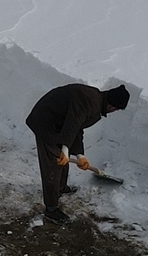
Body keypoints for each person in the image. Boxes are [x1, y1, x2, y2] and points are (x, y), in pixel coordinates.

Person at [25, 83, 130, 224]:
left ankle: (61, 187)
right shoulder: (90, 101)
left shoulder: (96, 102)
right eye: (116, 109)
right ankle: (51, 209)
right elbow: (72, 123)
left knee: (63, 158)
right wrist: (65, 149)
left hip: (58, 124)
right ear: (112, 106)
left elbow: (77, 127)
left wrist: (80, 155)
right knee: (53, 164)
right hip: (45, 121)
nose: (114, 111)